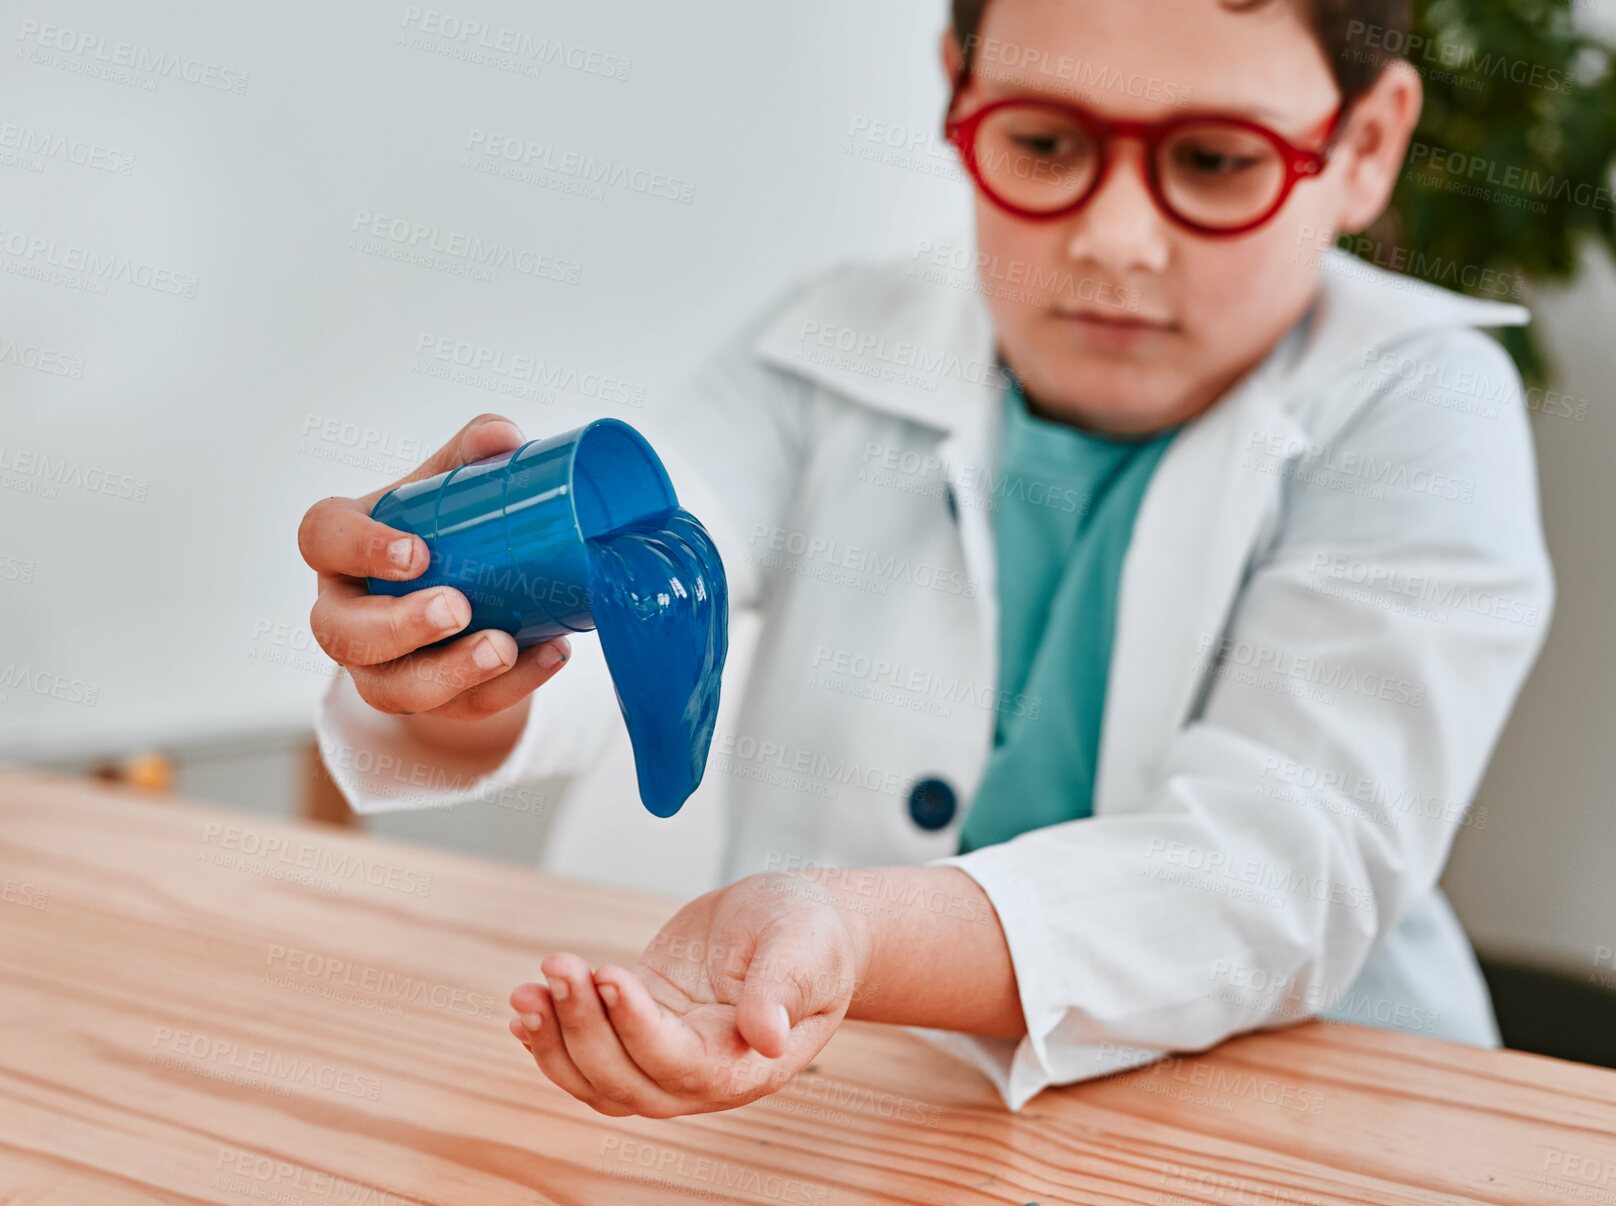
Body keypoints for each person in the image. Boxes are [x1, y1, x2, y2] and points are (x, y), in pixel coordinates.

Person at [296, 0, 1553, 1115]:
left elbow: (1278, 863)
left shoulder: (1419, 409)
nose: (1115, 238)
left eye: (1215, 160)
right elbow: (619, 616)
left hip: (1305, 1128)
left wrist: (852, 929)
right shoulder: (835, 347)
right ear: (960, 92)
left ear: (1368, 143)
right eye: (1044, 144)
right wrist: (438, 650)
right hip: (880, 1121)